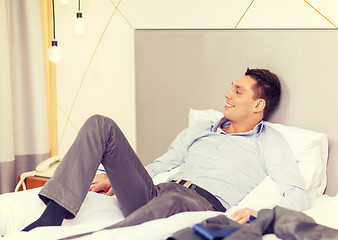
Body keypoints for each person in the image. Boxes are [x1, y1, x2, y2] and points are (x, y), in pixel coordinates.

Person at [22, 68, 310, 233]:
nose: (227, 94)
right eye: (230, 88)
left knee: (170, 204)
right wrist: (118, 178)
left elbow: (297, 194)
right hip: (158, 191)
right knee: (101, 124)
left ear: (258, 105)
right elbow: (163, 165)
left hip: (199, 203)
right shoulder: (203, 128)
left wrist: (262, 213)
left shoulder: (268, 141)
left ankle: (93, 237)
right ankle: (53, 216)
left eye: (237, 91)